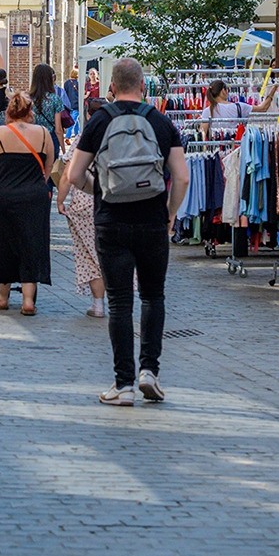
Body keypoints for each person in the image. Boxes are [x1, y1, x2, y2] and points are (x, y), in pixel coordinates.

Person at [66, 57, 189, 407]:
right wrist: (169, 214)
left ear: (112, 86)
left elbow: (74, 175)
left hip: (111, 222)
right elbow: (181, 177)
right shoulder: (161, 122)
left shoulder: (99, 121)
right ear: (143, 86)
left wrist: (101, 190)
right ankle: (150, 370)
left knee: (119, 301)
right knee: (153, 296)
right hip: (152, 220)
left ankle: (123, 385)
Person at [0, 91, 54, 315]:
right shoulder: (43, 133)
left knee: (4, 243)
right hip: (34, 196)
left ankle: (3, 297)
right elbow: (50, 165)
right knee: (32, 243)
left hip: (4, 195)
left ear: (9, 111)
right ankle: (28, 301)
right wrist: (39, 182)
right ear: (30, 112)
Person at [56, 144, 107, 318]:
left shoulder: (86, 137)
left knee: (90, 255)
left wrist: (60, 200)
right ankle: (119, 302)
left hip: (86, 202)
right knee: (115, 253)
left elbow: (68, 174)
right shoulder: (124, 131)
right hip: (117, 198)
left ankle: (98, 305)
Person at [201, 77, 279, 130]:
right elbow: (263, 108)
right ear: (223, 91)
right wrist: (272, 91)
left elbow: (203, 133)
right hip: (237, 149)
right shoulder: (239, 107)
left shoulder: (207, 111)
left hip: (215, 151)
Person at [30, 62, 65, 158]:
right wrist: (64, 150)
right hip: (51, 138)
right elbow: (58, 129)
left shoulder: (28, 99)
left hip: (33, 139)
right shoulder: (55, 99)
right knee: (51, 170)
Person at [63, 68, 81, 137]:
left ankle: (77, 134)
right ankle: (68, 136)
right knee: (73, 120)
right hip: (76, 104)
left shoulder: (66, 83)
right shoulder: (78, 83)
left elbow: (65, 93)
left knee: (75, 121)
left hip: (68, 104)